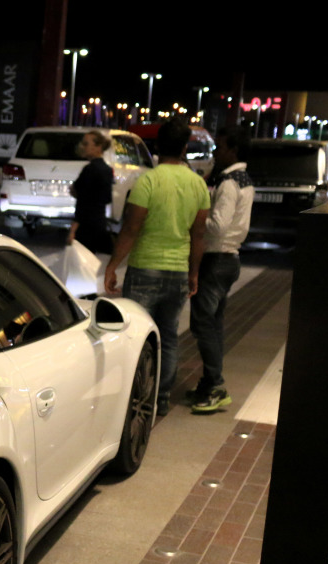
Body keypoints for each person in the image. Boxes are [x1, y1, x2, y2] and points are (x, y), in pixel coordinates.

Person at [104, 119, 210, 416]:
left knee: (137, 337)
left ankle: (135, 396)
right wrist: (193, 273)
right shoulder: (198, 184)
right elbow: (198, 234)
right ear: (185, 147)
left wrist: (113, 265)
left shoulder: (148, 182)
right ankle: (160, 398)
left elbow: (131, 229)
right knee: (169, 336)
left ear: (158, 147)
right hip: (177, 272)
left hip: (145, 269)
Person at [188, 125, 255, 414]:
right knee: (212, 324)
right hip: (230, 260)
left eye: (221, 147)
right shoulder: (245, 179)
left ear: (234, 150)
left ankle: (215, 385)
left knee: (204, 324)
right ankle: (209, 382)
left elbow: (217, 226)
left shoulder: (229, 182)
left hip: (217, 260)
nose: (216, 152)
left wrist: (194, 219)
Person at [67, 130, 115, 254]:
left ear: (98, 147)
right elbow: (107, 198)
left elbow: (83, 202)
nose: (82, 147)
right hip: (99, 223)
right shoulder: (107, 170)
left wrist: (73, 229)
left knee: (80, 265)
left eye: (86, 144)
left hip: (85, 226)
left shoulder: (90, 170)